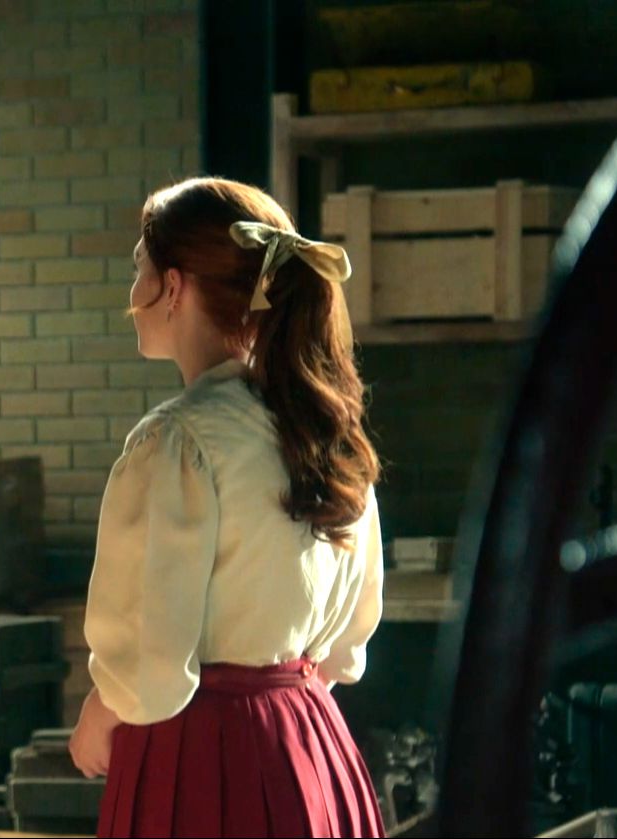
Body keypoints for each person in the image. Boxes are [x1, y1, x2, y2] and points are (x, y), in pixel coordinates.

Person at [68, 176, 386, 838]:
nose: (131, 293)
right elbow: (345, 646)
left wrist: (102, 709)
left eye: (138, 268)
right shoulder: (322, 428)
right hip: (310, 743)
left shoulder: (177, 440)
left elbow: (148, 660)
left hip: (200, 757)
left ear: (173, 287)